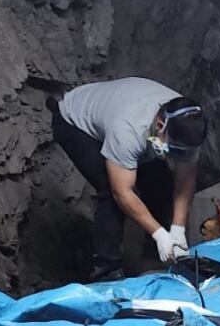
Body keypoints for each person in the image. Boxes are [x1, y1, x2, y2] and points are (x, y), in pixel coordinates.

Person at [48, 77, 208, 280]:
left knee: (161, 183)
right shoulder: (127, 129)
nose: (177, 157)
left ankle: (157, 258)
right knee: (109, 191)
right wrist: (158, 233)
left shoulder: (189, 125)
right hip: (75, 123)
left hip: (133, 124)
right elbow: (122, 192)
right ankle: (105, 272)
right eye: (174, 151)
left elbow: (184, 182)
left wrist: (177, 229)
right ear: (160, 125)